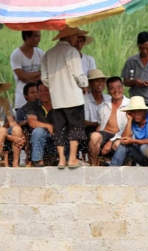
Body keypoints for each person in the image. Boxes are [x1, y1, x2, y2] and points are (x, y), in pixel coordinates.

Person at [41, 26, 89, 168]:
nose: (77, 39)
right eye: (75, 36)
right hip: (73, 97)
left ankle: (62, 159)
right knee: (75, 127)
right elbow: (78, 75)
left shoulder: (48, 54)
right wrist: (84, 85)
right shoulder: (72, 52)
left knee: (60, 129)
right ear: (69, 37)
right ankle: (72, 158)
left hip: (57, 99)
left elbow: (44, 78)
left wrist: (56, 85)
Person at [109, 96, 148, 167]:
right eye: (134, 112)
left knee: (143, 147)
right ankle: (112, 169)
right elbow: (124, 139)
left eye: (139, 111)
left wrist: (133, 141)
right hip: (145, 157)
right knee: (124, 145)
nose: (136, 114)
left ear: (144, 111)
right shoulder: (133, 121)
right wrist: (129, 120)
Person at [88, 77, 130, 166]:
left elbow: (129, 129)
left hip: (121, 136)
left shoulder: (130, 105)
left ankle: (125, 169)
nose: (116, 91)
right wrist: (93, 141)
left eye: (119, 87)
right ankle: (93, 167)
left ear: (123, 88)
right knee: (94, 136)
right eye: (112, 88)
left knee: (118, 144)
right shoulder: (103, 106)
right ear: (108, 91)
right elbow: (100, 125)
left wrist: (111, 141)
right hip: (105, 134)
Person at [10, 31, 45, 112]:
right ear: (27, 37)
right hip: (22, 97)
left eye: (39, 36)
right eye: (36, 36)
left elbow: (45, 73)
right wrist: (38, 73)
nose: (39, 39)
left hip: (38, 97)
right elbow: (22, 76)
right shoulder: (16, 55)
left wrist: (30, 76)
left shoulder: (40, 53)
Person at [26, 82, 57, 166]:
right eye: (40, 91)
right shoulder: (33, 105)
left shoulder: (58, 103)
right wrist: (48, 126)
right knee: (38, 131)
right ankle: (38, 161)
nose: (43, 93)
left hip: (57, 133)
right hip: (42, 134)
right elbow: (32, 122)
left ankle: (66, 158)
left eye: (46, 90)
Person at [1, 81, 24, 167]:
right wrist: (10, 137)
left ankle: (15, 163)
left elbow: (12, 122)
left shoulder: (4, 102)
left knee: (17, 129)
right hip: (2, 132)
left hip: (3, 131)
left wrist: (20, 136)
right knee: (2, 131)